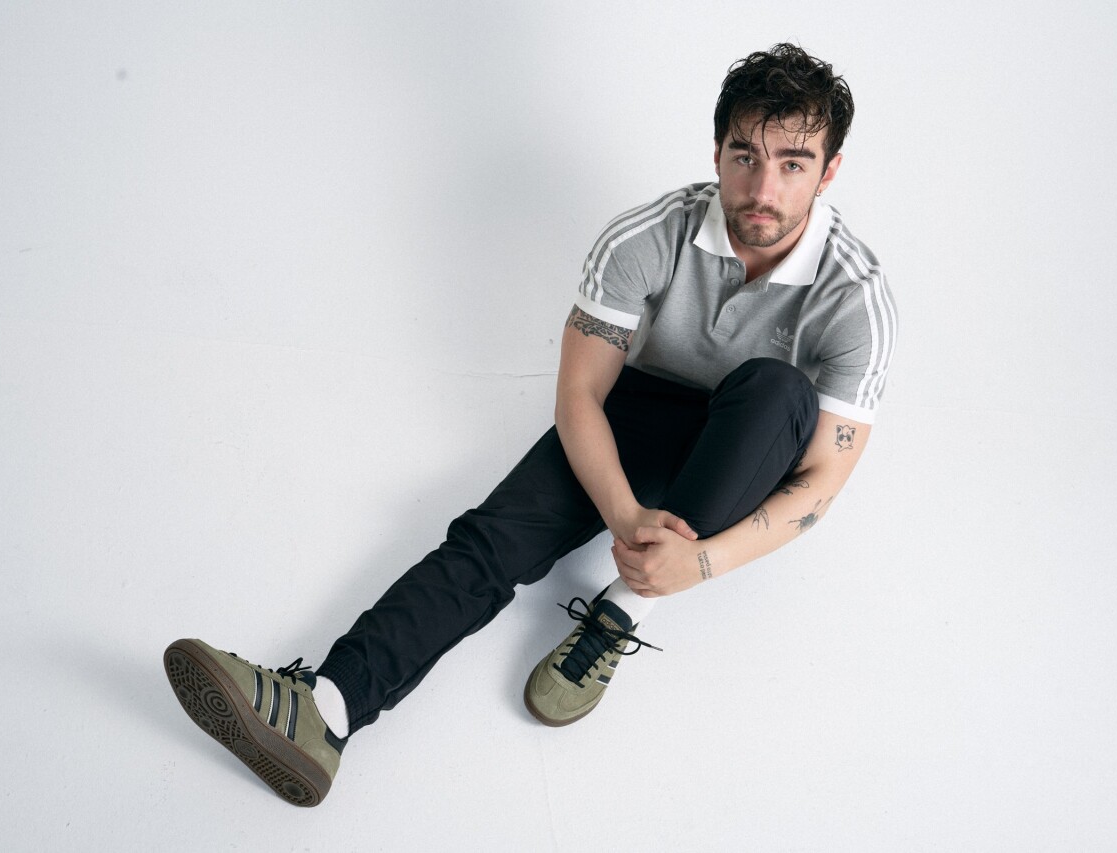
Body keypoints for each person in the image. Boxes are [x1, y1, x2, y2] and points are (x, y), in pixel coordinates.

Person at [164, 42, 897, 807]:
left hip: (755, 434)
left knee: (778, 391)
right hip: (643, 408)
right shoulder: (646, 237)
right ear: (716, 153)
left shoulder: (856, 296)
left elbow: (821, 481)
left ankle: (622, 609)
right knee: (491, 539)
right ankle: (327, 708)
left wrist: (693, 565)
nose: (763, 187)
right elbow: (579, 394)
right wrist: (623, 512)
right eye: (745, 156)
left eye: (793, 163)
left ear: (829, 170)